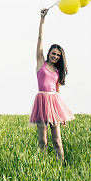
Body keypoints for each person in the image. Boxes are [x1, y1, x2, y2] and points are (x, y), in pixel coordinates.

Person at [30, 8, 75, 162]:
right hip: (41, 102)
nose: (55, 56)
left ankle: (61, 165)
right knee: (42, 141)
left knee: (57, 141)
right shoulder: (40, 63)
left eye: (58, 55)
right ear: (48, 53)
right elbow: (40, 38)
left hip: (53, 103)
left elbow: (57, 92)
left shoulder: (57, 71)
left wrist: (60, 112)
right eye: (53, 53)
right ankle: (43, 167)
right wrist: (42, 20)